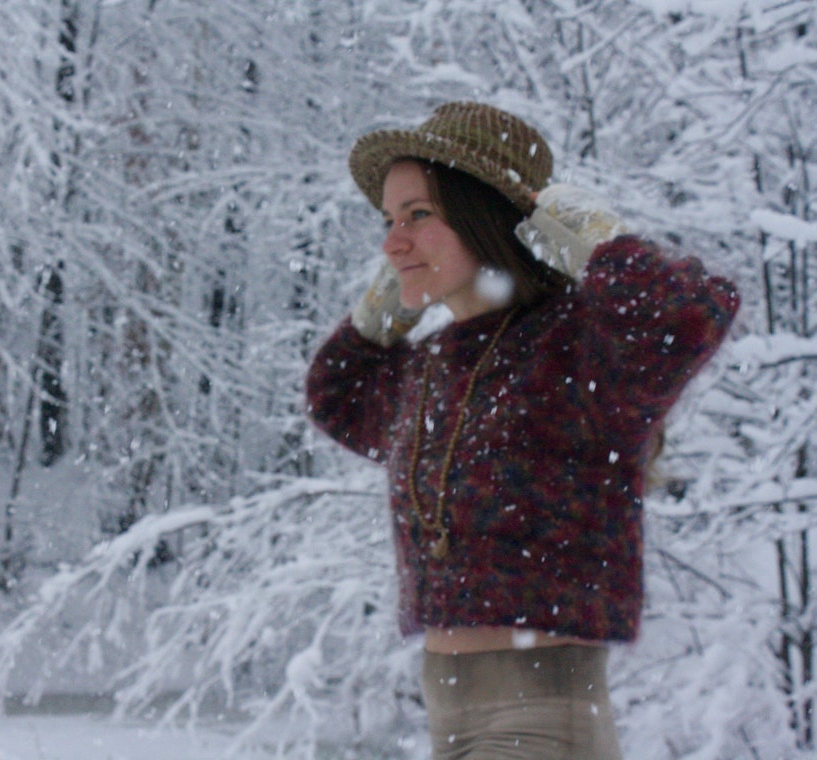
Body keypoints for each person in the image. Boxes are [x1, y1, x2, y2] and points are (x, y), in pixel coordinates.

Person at [304, 101, 740, 759]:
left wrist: (594, 234)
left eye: (418, 216)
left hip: (539, 718)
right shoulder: (428, 366)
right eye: (389, 221)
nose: (392, 243)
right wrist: (377, 319)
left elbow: (686, 315)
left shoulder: (573, 344)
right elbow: (336, 398)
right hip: (448, 716)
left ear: (484, 215)